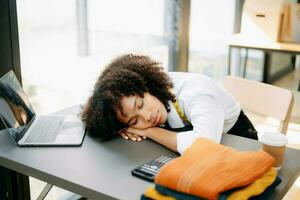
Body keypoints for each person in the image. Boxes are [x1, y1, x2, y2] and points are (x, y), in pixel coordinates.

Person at [81, 54, 258, 154]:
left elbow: (203, 149)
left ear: (146, 86)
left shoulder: (196, 93)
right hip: (190, 139)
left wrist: (148, 130)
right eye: (133, 121)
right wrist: (120, 127)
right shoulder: (154, 103)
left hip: (238, 139)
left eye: (140, 104)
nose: (147, 117)